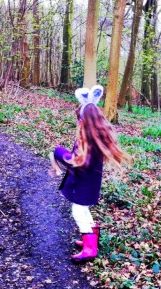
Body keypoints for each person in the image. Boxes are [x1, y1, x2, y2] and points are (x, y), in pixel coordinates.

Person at [49, 85, 130, 262]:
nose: (78, 122)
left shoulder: (90, 140)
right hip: (89, 183)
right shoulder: (92, 136)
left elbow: (79, 161)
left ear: (86, 120)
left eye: (80, 119)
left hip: (85, 184)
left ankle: (90, 248)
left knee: (78, 211)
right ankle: (90, 239)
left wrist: (60, 153)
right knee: (83, 210)